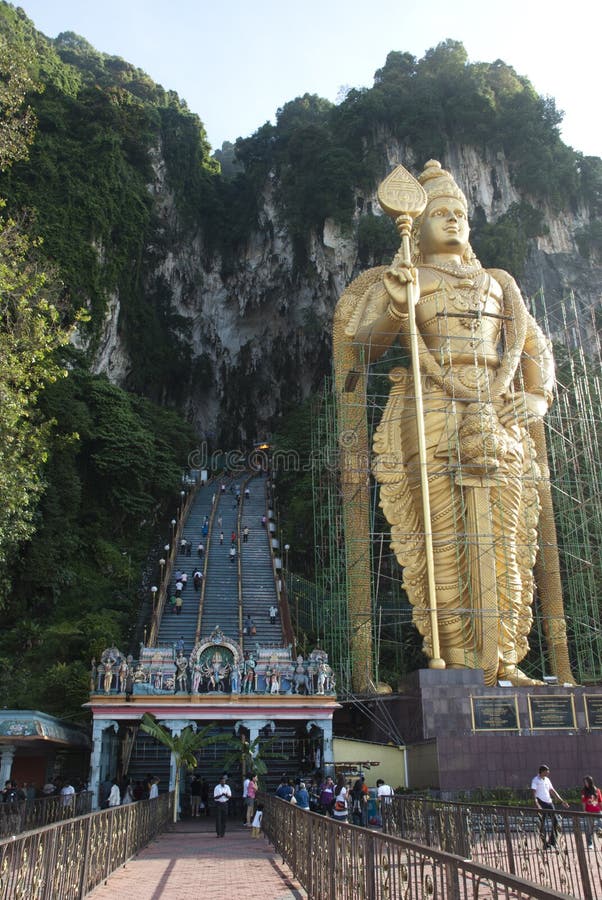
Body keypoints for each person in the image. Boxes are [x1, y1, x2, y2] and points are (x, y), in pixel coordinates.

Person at [338, 160, 560, 687]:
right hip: (431, 404)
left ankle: (504, 656)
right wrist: (397, 305)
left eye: (460, 212)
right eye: (441, 213)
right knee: (442, 536)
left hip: (498, 405)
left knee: (505, 536)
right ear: (422, 223)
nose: (454, 220)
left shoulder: (499, 284)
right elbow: (362, 343)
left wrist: (537, 397)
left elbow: (536, 347)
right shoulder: (409, 277)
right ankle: (457, 655)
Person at [531, 764, 568, 849]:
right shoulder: (535, 780)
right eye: (547, 771)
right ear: (542, 771)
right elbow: (533, 792)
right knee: (542, 824)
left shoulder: (547, 780)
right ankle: (545, 844)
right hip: (541, 802)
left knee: (556, 822)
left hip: (549, 802)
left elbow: (552, 791)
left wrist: (561, 801)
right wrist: (537, 803)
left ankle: (552, 842)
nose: (548, 772)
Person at [581, 775, 602, 848]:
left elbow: (600, 801)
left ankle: (598, 833)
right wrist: (584, 811)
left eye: (586, 782)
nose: (585, 784)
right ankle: (590, 843)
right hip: (589, 811)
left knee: (601, 824)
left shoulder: (597, 790)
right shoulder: (584, 791)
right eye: (585, 782)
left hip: (598, 811)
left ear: (590, 782)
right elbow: (583, 802)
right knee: (589, 828)